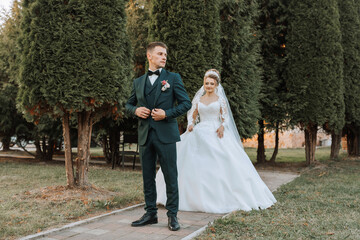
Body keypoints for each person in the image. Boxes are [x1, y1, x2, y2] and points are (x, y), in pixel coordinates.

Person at [155, 69, 276, 213]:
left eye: (212, 83)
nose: (209, 86)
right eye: (206, 83)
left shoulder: (220, 100)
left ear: (216, 85)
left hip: (216, 131)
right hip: (199, 131)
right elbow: (192, 115)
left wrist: (222, 126)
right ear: (204, 84)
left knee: (224, 160)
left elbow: (225, 118)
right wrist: (190, 125)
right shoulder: (199, 99)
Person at [125, 42, 191, 231]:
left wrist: (167, 113)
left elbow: (186, 103)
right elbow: (128, 105)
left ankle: (172, 216)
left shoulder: (173, 78)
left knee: (171, 175)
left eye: (165, 54)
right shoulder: (138, 82)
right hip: (145, 135)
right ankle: (150, 213)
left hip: (166, 135)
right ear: (149, 56)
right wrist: (136, 110)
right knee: (147, 177)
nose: (164, 57)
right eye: (160, 54)